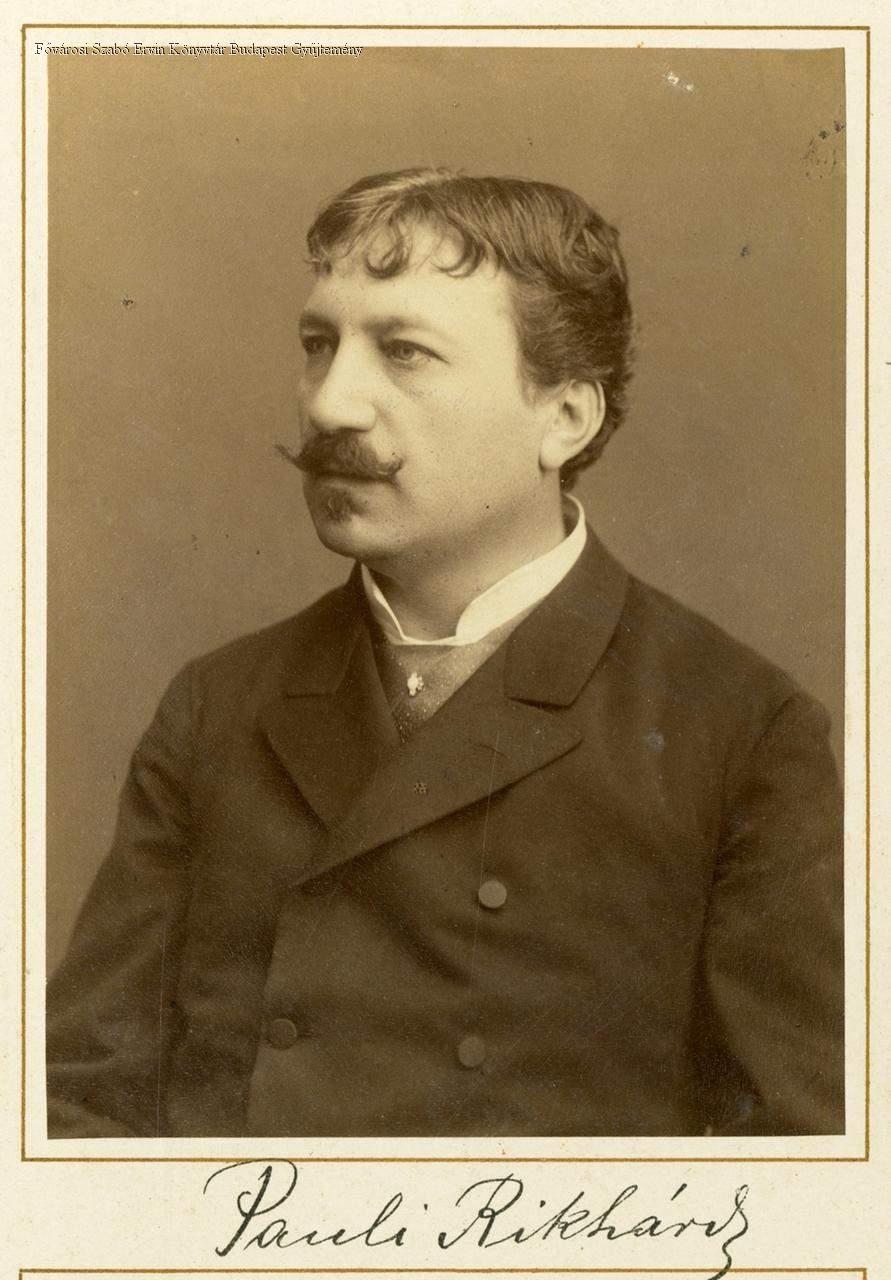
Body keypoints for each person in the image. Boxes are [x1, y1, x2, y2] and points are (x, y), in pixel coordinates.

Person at [46, 168, 844, 1139]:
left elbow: (801, 1165)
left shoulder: (737, 729)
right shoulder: (218, 704)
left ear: (565, 417)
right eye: (318, 345)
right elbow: (77, 1110)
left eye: (406, 353)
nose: (332, 404)